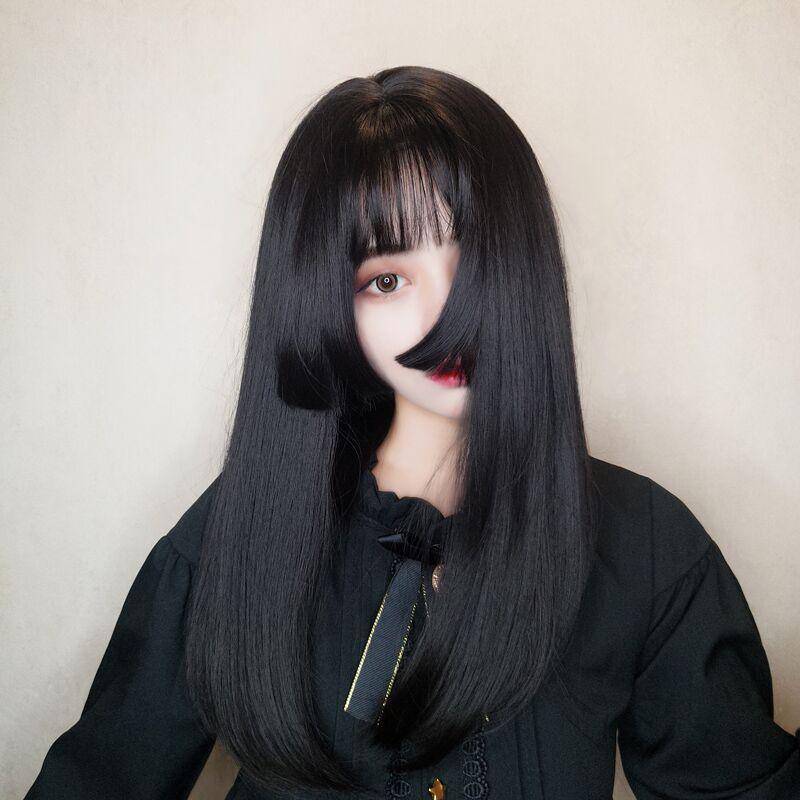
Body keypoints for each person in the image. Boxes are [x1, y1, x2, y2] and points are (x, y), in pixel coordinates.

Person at [24, 66, 800, 800]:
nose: (443, 319)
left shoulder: (645, 548)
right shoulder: (238, 534)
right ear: (327, 301)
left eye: (475, 258)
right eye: (387, 280)